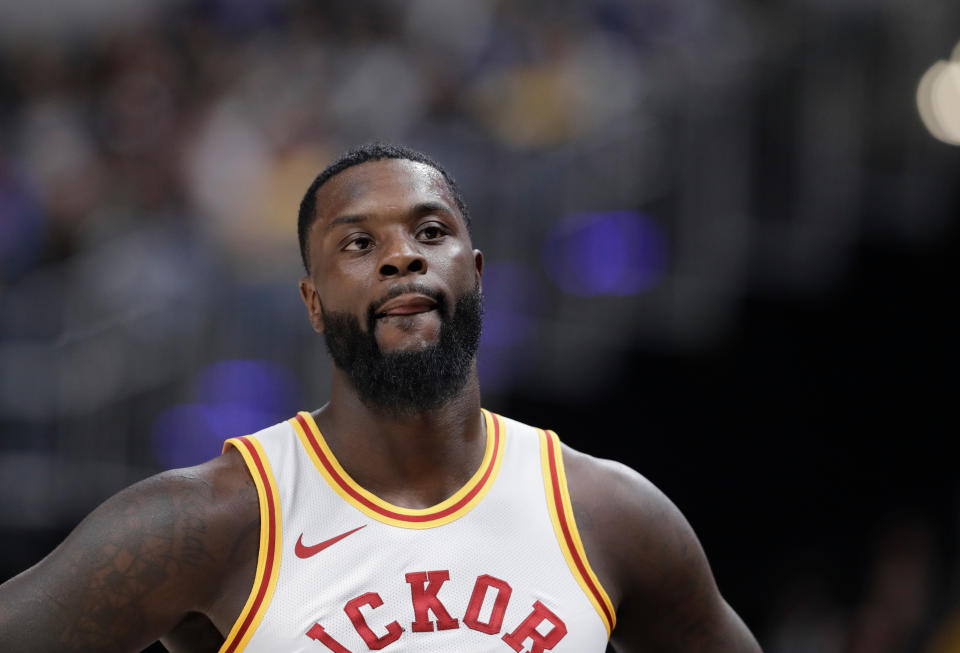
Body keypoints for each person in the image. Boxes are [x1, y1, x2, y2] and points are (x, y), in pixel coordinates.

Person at [0, 143, 761, 653]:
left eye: (431, 231)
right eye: (358, 244)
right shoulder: (219, 518)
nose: (402, 255)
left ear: (476, 271)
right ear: (309, 299)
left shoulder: (610, 512)